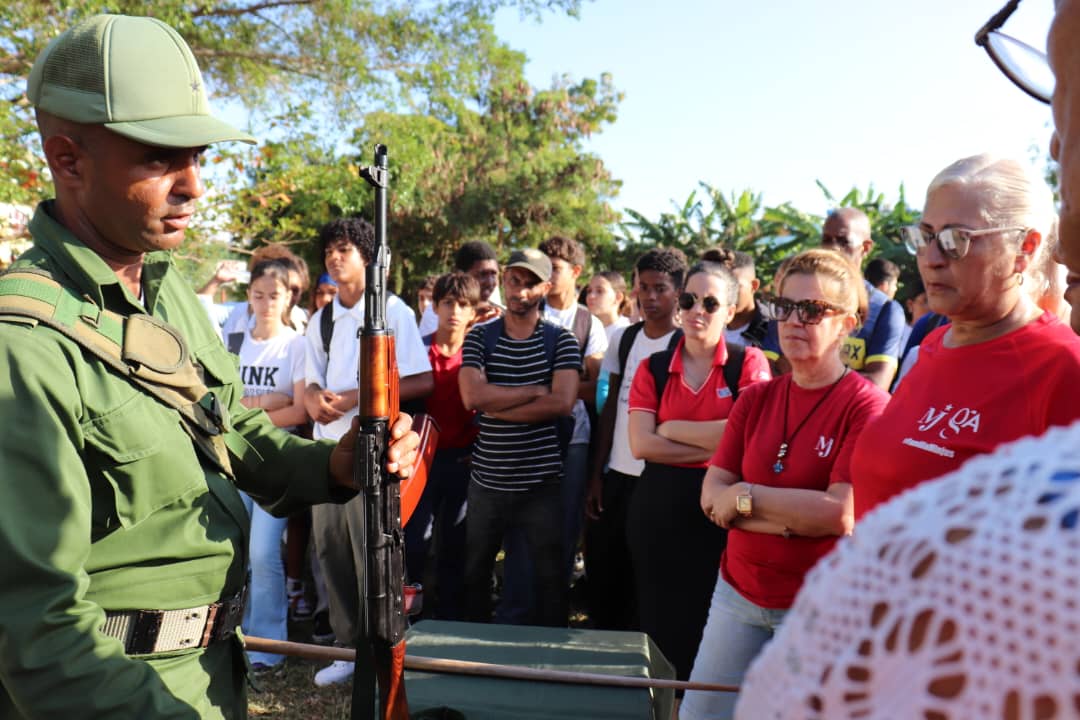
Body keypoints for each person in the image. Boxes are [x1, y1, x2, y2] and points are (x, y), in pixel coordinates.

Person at [0, 14, 418, 719]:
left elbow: (233, 434)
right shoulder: (24, 347)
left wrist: (336, 468)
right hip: (118, 693)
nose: (194, 184)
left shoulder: (165, 291)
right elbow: (37, 631)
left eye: (197, 155)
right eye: (161, 158)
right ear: (69, 160)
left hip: (210, 674)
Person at [679, 249, 889, 719]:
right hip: (737, 593)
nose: (794, 320)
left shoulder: (867, 406)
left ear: (848, 322)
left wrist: (747, 500)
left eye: (812, 310)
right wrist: (792, 517)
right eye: (785, 306)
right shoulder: (755, 399)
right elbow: (711, 499)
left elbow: (838, 513)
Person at [851, 154, 1080, 520]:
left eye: (957, 239)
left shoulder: (1063, 367)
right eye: (926, 236)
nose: (931, 258)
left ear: (1026, 249)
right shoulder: (932, 345)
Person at [626, 255, 772, 682]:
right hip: (657, 510)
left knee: (718, 626)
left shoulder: (749, 363)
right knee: (659, 623)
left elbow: (751, 441)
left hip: (723, 512)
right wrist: (719, 439)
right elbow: (640, 444)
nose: (696, 312)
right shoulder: (650, 367)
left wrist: (671, 428)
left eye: (710, 303)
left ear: (730, 311)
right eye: (689, 300)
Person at [303, 217, 433, 686]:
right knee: (332, 550)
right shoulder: (321, 317)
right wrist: (315, 397)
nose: (335, 259)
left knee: (372, 554)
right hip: (325, 452)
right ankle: (346, 647)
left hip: (373, 453)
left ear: (366, 257)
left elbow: (422, 379)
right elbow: (309, 381)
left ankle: (384, 646)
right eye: (329, 251)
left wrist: (359, 397)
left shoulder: (394, 311)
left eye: (345, 250)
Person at [458, 248, 581, 627]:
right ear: (504, 280)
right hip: (487, 480)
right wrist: (534, 390)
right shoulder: (479, 336)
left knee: (550, 579)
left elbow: (562, 402)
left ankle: (553, 659)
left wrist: (495, 405)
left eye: (530, 283)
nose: (520, 291)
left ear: (545, 287)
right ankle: (473, 657)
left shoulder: (561, 340)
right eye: (514, 280)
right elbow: (471, 397)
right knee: (474, 575)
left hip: (540, 483)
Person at [584, 247, 687, 631]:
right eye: (643, 287)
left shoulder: (685, 345)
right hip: (617, 475)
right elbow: (610, 407)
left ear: (678, 292)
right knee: (606, 568)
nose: (650, 297)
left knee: (650, 573)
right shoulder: (624, 339)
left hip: (659, 478)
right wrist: (597, 475)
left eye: (660, 288)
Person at [225, 259, 309, 672]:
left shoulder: (296, 344)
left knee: (262, 552)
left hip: (277, 462)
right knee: (233, 550)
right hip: (235, 458)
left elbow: (298, 412)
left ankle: (268, 648)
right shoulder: (234, 337)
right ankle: (230, 636)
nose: (266, 303)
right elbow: (222, 404)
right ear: (249, 296)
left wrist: (249, 410)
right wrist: (264, 404)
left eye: (274, 295)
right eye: (258, 294)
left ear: (289, 297)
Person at [405, 272, 480, 620]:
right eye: (448, 302)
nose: (454, 310)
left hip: (464, 461)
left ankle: (450, 620)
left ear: (474, 313)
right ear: (434, 306)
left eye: (463, 304)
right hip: (420, 462)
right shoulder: (417, 351)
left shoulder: (479, 354)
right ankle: (410, 621)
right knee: (413, 545)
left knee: (455, 544)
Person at [766, 208, 906, 391]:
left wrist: (809, 380)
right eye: (826, 240)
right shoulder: (790, 300)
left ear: (865, 247)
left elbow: (876, 384)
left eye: (843, 241)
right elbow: (769, 371)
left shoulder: (885, 310)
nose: (832, 248)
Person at [418, 240, 503, 334]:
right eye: (482, 274)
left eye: (493, 274)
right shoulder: (438, 311)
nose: (490, 282)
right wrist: (470, 324)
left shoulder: (497, 315)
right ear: (461, 275)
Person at [718, 249, 769, 349]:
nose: (728, 294)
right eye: (721, 286)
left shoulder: (772, 330)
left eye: (735, 287)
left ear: (754, 286)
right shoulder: (709, 324)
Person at [586, 270, 632, 341]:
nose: (591, 296)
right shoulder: (584, 330)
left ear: (618, 297)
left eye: (599, 291)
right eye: (589, 291)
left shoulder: (627, 333)